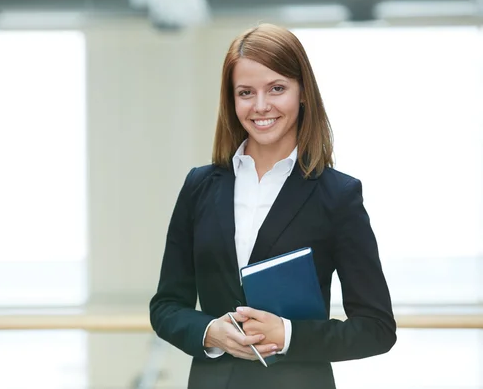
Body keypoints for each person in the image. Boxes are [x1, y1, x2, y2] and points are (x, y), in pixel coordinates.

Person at [149, 23, 396, 389]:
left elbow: (376, 328)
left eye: (277, 88)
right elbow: (166, 305)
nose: (261, 106)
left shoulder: (338, 195)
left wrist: (289, 334)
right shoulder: (199, 187)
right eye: (245, 92)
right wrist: (209, 332)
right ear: (231, 100)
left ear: (302, 93)